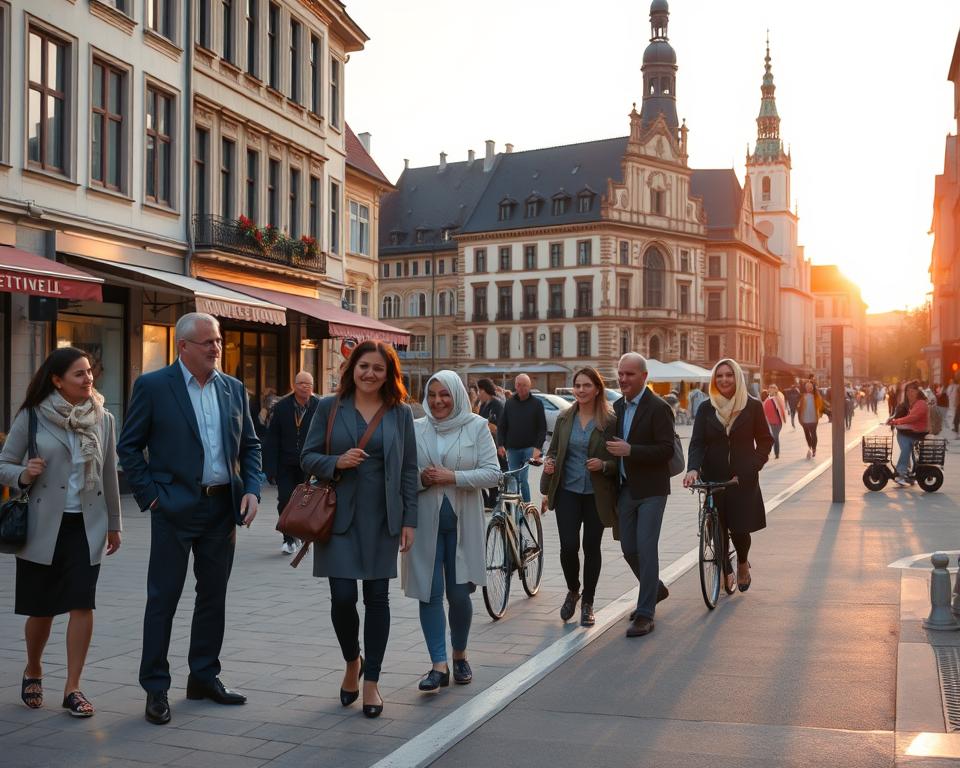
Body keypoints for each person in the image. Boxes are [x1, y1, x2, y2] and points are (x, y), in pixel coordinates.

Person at [118, 312, 263, 726]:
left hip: (222, 509)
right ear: (183, 346)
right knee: (163, 598)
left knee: (212, 596)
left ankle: (203, 676)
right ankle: (156, 687)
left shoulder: (233, 388)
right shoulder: (153, 386)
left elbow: (251, 446)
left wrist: (251, 489)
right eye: (207, 343)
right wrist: (152, 499)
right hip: (174, 509)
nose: (216, 348)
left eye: (217, 341)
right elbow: (129, 448)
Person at [0, 348, 122, 717]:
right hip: (42, 525)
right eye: (79, 374)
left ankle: (73, 687)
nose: (88, 379)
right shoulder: (33, 416)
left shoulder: (103, 418)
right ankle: (33, 667)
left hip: (87, 525)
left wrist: (115, 524)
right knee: (41, 609)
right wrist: (23, 474)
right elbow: (4, 463)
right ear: (57, 380)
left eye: (90, 372)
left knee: (82, 603)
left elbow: (108, 475)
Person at [300, 340, 417, 719]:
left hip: (383, 517)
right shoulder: (328, 407)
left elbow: (409, 470)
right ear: (351, 368)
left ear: (389, 374)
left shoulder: (400, 414)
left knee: (378, 599)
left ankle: (372, 683)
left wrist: (409, 520)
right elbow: (307, 457)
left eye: (378, 368)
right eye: (363, 366)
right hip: (339, 517)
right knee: (342, 597)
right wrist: (337, 462)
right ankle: (353, 660)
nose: (370, 373)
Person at [403, 371, 499, 692]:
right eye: (432, 395)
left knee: (459, 596)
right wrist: (423, 479)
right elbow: (404, 476)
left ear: (457, 395)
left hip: (463, 525)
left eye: (444, 394)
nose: (438, 401)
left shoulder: (476, 426)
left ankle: (460, 654)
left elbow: (491, 474)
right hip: (424, 525)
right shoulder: (415, 428)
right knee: (428, 594)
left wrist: (453, 477)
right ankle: (438, 665)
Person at [683, 359, 773, 593]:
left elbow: (765, 440)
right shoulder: (705, 407)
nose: (724, 380)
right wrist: (693, 468)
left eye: (729, 375)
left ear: (737, 378)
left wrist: (753, 465)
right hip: (714, 476)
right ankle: (725, 569)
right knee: (717, 528)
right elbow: (697, 443)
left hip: (742, 478)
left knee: (740, 529)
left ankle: (742, 563)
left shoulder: (752, 406)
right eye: (719, 376)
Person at [542, 367, 618, 627]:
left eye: (587, 385)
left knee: (591, 548)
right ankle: (573, 590)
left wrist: (604, 466)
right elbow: (552, 451)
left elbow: (619, 462)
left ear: (597, 388)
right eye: (578, 385)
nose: (582, 390)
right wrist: (549, 463)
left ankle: (588, 602)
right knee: (568, 546)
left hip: (596, 494)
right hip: (567, 492)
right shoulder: (564, 418)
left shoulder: (609, 420)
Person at [606, 353, 674, 638]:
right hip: (625, 489)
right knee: (628, 549)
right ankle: (654, 589)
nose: (623, 379)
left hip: (651, 491)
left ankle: (645, 613)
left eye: (629, 374)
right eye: (620, 374)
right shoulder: (616, 407)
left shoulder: (658, 408)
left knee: (646, 549)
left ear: (644, 377)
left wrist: (631, 450)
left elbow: (666, 450)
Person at [263, 371, 320, 555]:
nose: (305, 387)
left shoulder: (318, 406)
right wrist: (270, 468)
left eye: (309, 384)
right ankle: (288, 538)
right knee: (285, 499)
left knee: (306, 502)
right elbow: (272, 438)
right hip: (285, 463)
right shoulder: (282, 407)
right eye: (302, 383)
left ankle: (302, 532)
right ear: (294, 385)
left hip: (309, 464)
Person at [496, 374, 546, 503]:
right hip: (512, 449)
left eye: (525, 385)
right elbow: (502, 426)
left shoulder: (537, 404)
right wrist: (500, 444)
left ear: (529, 386)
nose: (522, 388)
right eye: (519, 385)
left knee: (523, 480)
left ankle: (527, 508)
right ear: (515, 386)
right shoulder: (509, 403)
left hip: (529, 448)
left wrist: (538, 448)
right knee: (513, 479)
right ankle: (516, 509)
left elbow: (542, 428)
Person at [887, 380, 929, 486]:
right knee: (907, 449)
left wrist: (896, 421)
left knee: (908, 451)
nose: (910, 393)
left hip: (915, 433)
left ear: (917, 392)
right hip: (908, 433)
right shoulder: (911, 404)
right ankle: (903, 473)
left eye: (912, 391)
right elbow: (898, 414)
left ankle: (903, 473)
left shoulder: (920, 404)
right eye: (908, 391)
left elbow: (912, 418)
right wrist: (893, 420)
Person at [476, 378, 507, 508]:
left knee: (495, 472)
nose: (478, 394)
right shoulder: (483, 405)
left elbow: (500, 426)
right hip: (485, 444)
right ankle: (489, 501)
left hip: (496, 444)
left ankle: (494, 500)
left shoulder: (497, 405)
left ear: (485, 390)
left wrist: (486, 425)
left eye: (479, 391)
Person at [798, 379, 826, 459]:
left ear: (813, 387)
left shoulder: (816, 396)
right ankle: (810, 447)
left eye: (810, 387)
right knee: (807, 434)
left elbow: (821, 406)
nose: (808, 388)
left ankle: (814, 448)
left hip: (813, 419)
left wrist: (820, 414)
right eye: (807, 386)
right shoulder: (803, 396)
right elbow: (799, 407)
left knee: (813, 433)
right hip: (804, 419)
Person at [760, 388, 785, 459]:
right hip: (774, 423)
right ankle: (774, 453)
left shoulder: (767, 402)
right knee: (774, 438)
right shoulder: (768, 402)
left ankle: (774, 453)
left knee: (774, 438)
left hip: (773, 423)